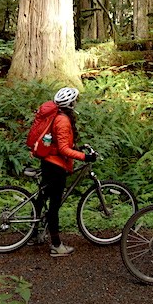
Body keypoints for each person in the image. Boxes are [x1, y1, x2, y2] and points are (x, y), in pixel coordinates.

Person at [33, 86, 97, 257]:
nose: (77, 103)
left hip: (49, 163)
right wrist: (84, 157)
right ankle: (56, 245)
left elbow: (60, 143)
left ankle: (34, 233)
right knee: (54, 206)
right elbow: (63, 149)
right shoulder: (63, 120)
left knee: (43, 197)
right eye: (75, 100)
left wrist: (76, 147)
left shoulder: (58, 117)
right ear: (70, 103)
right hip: (55, 166)